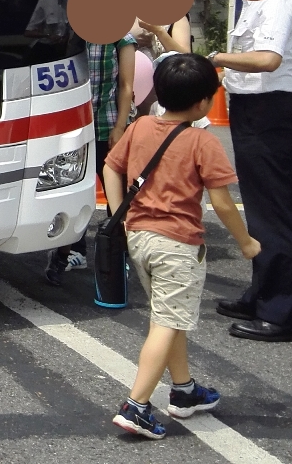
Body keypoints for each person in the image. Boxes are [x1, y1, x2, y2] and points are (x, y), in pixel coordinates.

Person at [103, 53, 259, 439]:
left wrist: (119, 213)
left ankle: (185, 390)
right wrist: (246, 242)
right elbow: (223, 203)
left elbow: (111, 165)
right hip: (178, 245)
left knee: (169, 316)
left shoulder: (139, 128)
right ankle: (136, 405)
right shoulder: (202, 142)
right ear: (204, 102)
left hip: (140, 238)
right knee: (167, 321)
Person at [210, 0, 292, 342]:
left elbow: (268, 59)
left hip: (269, 109)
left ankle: (279, 311)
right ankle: (260, 295)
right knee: (260, 210)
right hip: (252, 109)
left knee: (273, 211)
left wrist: (219, 59)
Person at [45, 30, 136, 285]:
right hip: (72, 128)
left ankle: (118, 257)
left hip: (107, 127)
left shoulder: (121, 37)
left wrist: (120, 126)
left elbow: (127, 86)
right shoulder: (70, 34)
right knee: (68, 190)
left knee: (116, 197)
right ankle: (65, 253)